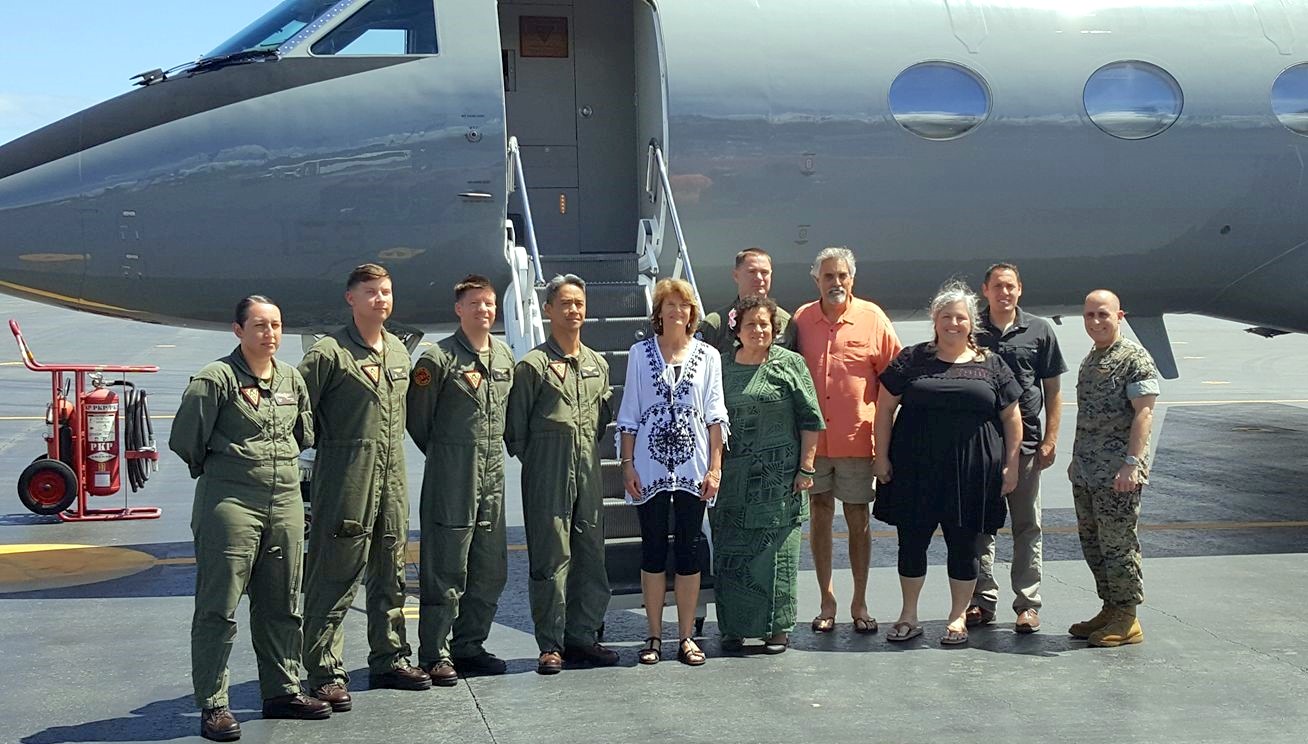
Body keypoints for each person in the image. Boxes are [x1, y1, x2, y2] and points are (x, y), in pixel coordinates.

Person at [170, 295, 331, 742]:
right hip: (231, 502)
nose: (269, 333)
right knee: (219, 607)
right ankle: (214, 704)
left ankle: (283, 690)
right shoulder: (215, 380)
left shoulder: (291, 379)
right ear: (238, 330)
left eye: (275, 325)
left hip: (284, 502)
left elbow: (304, 434)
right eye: (259, 325)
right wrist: (227, 470)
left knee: (283, 603)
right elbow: (186, 439)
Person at [299, 264, 431, 711]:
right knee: (334, 574)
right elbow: (299, 410)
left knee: (391, 571)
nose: (380, 299)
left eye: (386, 292)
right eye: (371, 292)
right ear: (350, 298)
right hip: (347, 479)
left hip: (392, 480)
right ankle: (323, 671)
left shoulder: (398, 353)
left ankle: (390, 657)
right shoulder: (329, 354)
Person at [872, 281, 1023, 646]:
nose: (953, 324)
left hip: (971, 471)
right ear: (934, 320)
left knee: (964, 545)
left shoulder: (991, 364)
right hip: (915, 468)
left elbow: (1012, 417)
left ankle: (957, 617)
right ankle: (909, 615)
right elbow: (885, 408)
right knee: (911, 543)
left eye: (960, 318)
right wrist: (881, 457)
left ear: (971, 323)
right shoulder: (912, 359)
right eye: (946, 317)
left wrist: (1012, 465)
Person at [505, 274, 618, 675]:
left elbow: (600, 422)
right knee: (551, 557)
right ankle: (551, 643)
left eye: (579, 304)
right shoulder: (532, 366)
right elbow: (516, 430)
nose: (573, 310)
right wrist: (545, 459)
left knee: (591, 554)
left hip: (587, 469)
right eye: (565, 304)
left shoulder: (597, 365)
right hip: (547, 470)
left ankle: (582, 636)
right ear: (549, 310)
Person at [406, 275, 514, 686]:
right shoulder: (438, 359)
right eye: (474, 303)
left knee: (490, 567)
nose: (483, 310)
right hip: (452, 475)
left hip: (492, 477)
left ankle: (469, 645)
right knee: (446, 567)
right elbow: (419, 420)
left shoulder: (503, 357)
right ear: (458, 309)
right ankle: (435, 653)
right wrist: (447, 456)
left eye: (488, 303)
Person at [617, 278, 729, 667]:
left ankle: (685, 636)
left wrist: (715, 468)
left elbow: (715, 415)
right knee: (651, 547)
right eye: (670, 304)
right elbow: (630, 411)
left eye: (684, 305)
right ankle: (653, 635)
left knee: (688, 548)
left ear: (692, 313)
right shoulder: (639, 353)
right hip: (648, 466)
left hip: (692, 467)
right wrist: (627, 464)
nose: (677, 311)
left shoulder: (708, 356)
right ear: (659, 312)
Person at [792, 246, 901, 634]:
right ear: (816, 280)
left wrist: (886, 439)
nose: (835, 282)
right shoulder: (802, 320)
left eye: (842, 275)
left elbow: (895, 378)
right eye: (828, 276)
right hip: (814, 443)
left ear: (852, 279)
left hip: (857, 439)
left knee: (858, 518)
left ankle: (859, 601)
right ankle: (827, 599)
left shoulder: (873, 318)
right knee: (819, 515)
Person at [713, 295, 823, 654]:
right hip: (732, 481)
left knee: (778, 556)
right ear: (737, 329)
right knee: (732, 555)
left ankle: (777, 628)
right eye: (751, 324)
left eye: (764, 324)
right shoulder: (720, 366)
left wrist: (806, 467)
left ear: (774, 329)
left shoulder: (790, 364)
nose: (758, 330)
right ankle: (734, 628)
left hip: (780, 480)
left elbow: (810, 419)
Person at [968, 263, 1067, 633]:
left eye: (1010, 286)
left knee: (1027, 525)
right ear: (985, 290)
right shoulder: (972, 330)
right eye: (997, 286)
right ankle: (981, 600)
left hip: (1026, 447)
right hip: (982, 444)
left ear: (1020, 289)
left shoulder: (1039, 331)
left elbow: (1053, 391)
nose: (1004, 293)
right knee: (980, 526)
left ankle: (1027, 604)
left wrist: (1051, 439)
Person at [1067, 289, 1160, 647]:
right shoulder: (1091, 359)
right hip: (1088, 471)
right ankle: (1110, 606)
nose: (1095, 321)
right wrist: (1077, 461)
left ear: (1119, 316)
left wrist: (1132, 464)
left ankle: (1127, 616)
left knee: (1119, 544)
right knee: (1094, 543)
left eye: (1103, 314)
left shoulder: (1133, 358)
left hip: (1118, 473)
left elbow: (1144, 413)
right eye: (1089, 315)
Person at [698, 247, 795, 352]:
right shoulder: (716, 324)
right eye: (752, 271)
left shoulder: (786, 322)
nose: (759, 278)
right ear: (736, 275)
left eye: (764, 272)